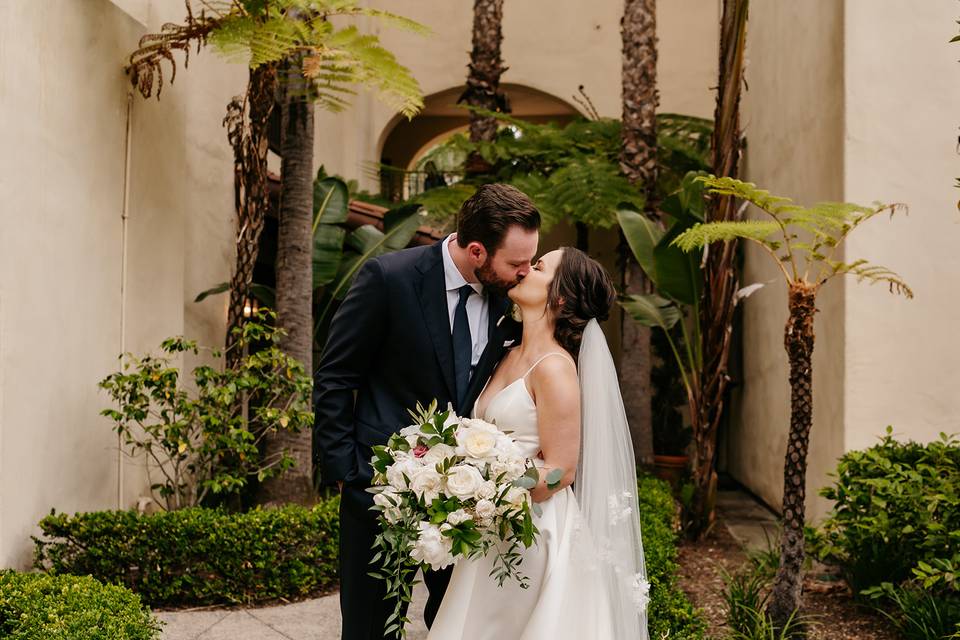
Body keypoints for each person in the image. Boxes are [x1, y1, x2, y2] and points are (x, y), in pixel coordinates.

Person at [313, 184, 541, 640]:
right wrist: (347, 471)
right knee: (369, 628)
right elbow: (337, 375)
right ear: (477, 250)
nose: (525, 274)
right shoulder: (389, 278)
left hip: (468, 504)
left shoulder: (510, 302)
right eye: (516, 263)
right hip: (380, 492)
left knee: (457, 627)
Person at [427, 247, 650, 639]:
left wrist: (491, 492)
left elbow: (563, 469)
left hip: (529, 534)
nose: (525, 270)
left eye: (540, 267)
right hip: (492, 529)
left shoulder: (554, 368)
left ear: (560, 297)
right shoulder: (507, 353)